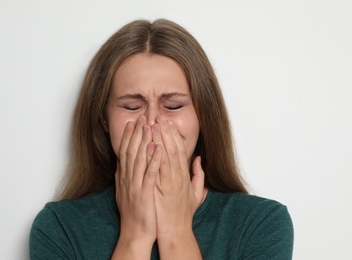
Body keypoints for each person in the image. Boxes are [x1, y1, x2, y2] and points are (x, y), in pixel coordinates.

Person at [29, 19, 294, 259]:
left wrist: (177, 234)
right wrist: (135, 236)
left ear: (203, 116)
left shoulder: (261, 224)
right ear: (104, 120)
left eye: (174, 106)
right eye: (132, 107)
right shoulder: (58, 228)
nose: (153, 121)